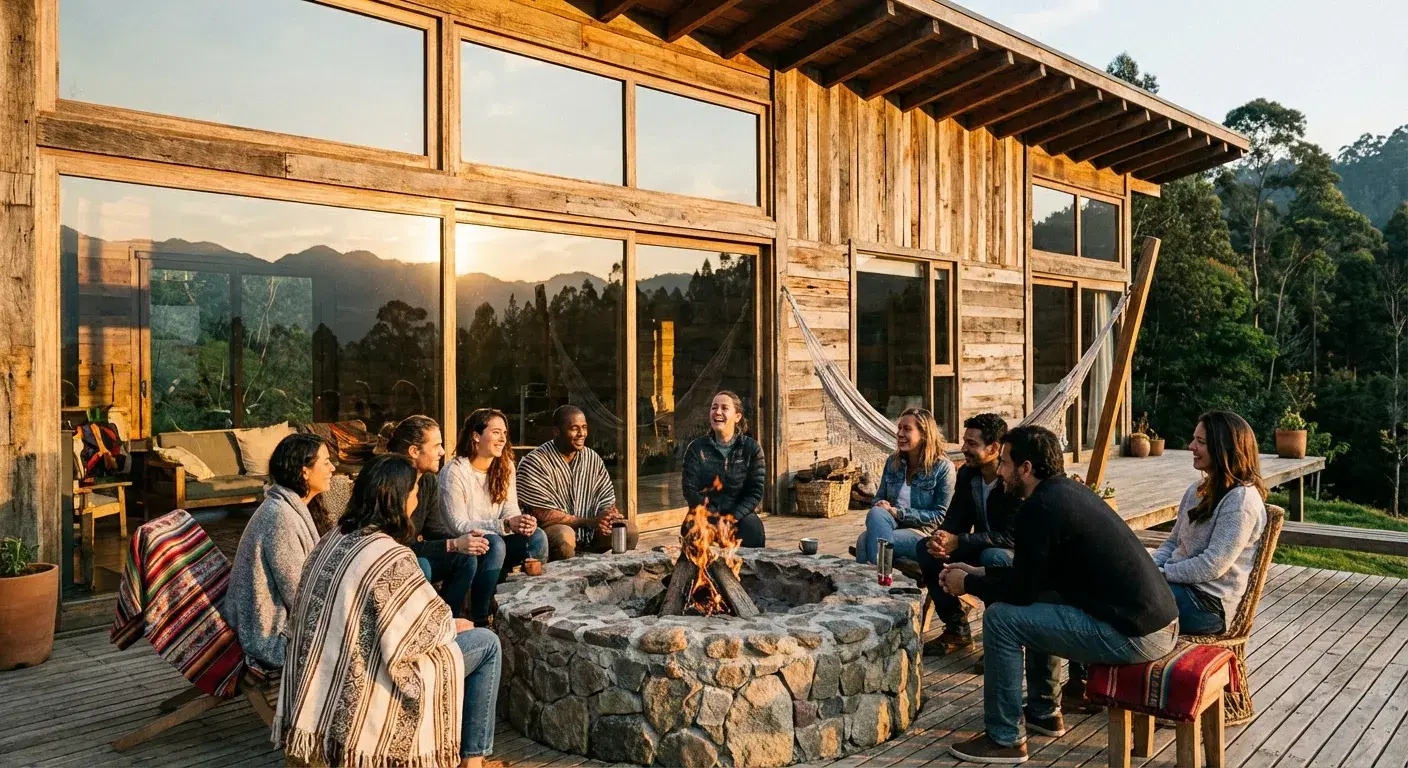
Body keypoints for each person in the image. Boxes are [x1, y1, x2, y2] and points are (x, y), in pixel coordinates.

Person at [940, 425, 1178, 764]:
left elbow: (1020, 592)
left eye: (1006, 463)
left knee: (1000, 620)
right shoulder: (1064, 494)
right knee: (1040, 602)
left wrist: (968, 585)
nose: (1002, 472)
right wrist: (977, 573)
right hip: (1155, 623)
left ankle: (1005, 738)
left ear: (1026, 468)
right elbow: (1035, 581)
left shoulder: (1038, 509)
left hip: (1136, 635)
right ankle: (1043, 711)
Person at [276, 454, 501, 768]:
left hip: (322, 685)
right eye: (413, 491)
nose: (417, 497)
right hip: (367, 688)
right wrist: (451, 625)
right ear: (397, 499)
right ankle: (473, 761)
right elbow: (420, 634)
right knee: (487, 643)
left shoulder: (333, 538)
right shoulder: (389, 555)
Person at [225, 433, 333, 674]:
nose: (332, 468)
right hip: (269, 637)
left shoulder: (290, 508)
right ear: (304, 471)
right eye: (326, 462)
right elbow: (298, 594)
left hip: (277, 624)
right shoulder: (280, 519)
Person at [916, 412, 1020, 655]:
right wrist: (941, 538)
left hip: (1012, 555)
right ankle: (957, 629)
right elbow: (955, 518)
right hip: (979, 546)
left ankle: (997, 644)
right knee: (926, 549)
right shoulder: (968, 474)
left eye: (972, 444)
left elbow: (1010, 537)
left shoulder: (1014, 481)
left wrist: (959, 541)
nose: (964, 448)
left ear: (995, 447)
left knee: (994, 557)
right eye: (965, 441)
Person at [387, 415, 490, 623]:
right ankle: (415, 627)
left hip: (413, 552)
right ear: (414, 451)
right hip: (391, 561)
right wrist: (453, 544)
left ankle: (446, 620)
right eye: (437, 446)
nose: (442, 452)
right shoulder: (390, 485)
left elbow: (434, 530)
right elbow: (397, 548)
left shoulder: (427, 482)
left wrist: (465, 539)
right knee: (421, 565)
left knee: (465, 558)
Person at [435, 407, 550, 580]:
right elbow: (457, 526)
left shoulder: (506, 467)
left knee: (537, 536)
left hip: (497, 539)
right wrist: (505, 525)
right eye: (496, 432)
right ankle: (483, 604)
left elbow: (510, 509)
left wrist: (520, 523)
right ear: (476, 436)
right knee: (494, 544)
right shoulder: (454, 472)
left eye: (504, 433)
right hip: (464, 545)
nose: (503, 439)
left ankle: (525, 595)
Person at [518, 405, 636, 561]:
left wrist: (609, 517)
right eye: (574, 428)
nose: (581, 434)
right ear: (556, 432)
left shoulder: (592, 458)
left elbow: (607, 501)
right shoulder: (535, 462)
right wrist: (591, 522)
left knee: (629, 530)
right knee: (564, 536)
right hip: (550, 532)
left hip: (591, 533)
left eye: (584, 428)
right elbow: (544, 515)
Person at [854, 407, 956, 565]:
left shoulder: (943, 467)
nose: (900, 434)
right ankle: (880, 576)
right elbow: (878, 498)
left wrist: (897, 512)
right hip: (892, 525)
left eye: (907, 429)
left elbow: (939, 516)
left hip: (925, 533)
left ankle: (877, 580)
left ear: (923, 434)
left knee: (864, 540)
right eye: (899, 428)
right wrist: (881, 504)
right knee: (876, 512)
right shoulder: (893, 462)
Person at [680, 391, 768, 547]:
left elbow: (755, 492)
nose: (717, 412)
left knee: (754, 532)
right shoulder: (696, 448)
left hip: (738, 516)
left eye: (724, 408)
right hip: (705, 514)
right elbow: (689, 489)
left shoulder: (751, 449)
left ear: (737, 417)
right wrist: (713, 515)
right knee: (693, 530)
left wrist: (732, 517)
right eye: (714, 407)